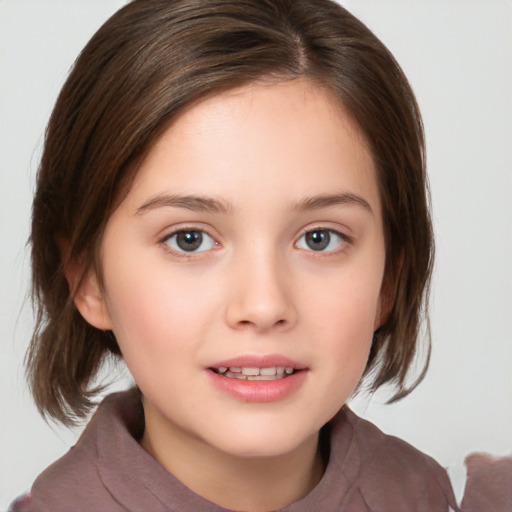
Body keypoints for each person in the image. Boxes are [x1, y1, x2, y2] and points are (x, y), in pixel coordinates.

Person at [9, 0, 465, 510]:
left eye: (320, 238)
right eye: (189, 239)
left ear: (389, 278)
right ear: (88, 278)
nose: (264, 304)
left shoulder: (455, 497)